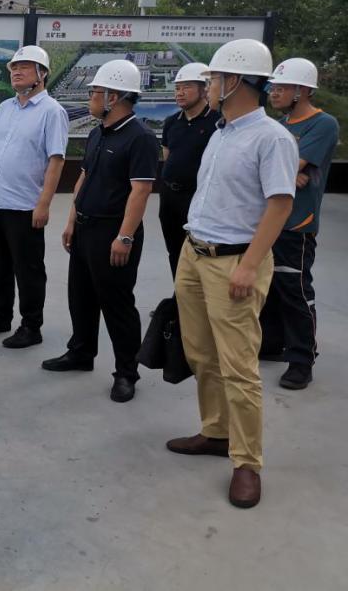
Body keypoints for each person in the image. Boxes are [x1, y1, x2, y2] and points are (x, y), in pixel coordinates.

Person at [167, 39, 296, 510]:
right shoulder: (221, 133)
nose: (208, 86)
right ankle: (216, 432)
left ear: (235, 81)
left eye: (214, 79)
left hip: (235, 263)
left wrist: (248, 265)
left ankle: (247, 462)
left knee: (239, 366)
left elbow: (280, 205)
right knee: (202, 353)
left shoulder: (271, 138)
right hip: (195, 254)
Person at [42, 60, 158, 404]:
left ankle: (126, 373)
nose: (90, 97)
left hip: (113, 231)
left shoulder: (140, 137)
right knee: (80, 295)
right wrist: (72, 220)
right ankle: (81, 352)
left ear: (114, 96)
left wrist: (125, 236)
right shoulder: (98, 133)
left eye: (94, 92)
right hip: (86, 227)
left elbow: (140, 191)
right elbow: (84, 177)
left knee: (117, 304)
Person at [0, 45, 69, 349]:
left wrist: (44, 204)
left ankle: (31, 326)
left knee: (28, 269)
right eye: (14, 67)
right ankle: (1, 316)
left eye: (24, 67)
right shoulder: (4, 108)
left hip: (26, 206)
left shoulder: (52, 112)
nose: (16, 72)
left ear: (42, 74)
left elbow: (56, 160)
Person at [259, 57, 339, 390]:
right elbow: (269, 171)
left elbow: (290, 167)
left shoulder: (322, 125)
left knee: (295, 290)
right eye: (273, 88)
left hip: (296, 222)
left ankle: (302, 359)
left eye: (281, 88)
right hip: (268, 220)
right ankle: (272, 343)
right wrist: (287, 174)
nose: (274, 93)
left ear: (302, 90)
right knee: (268, 286)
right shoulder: (280, 124)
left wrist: (287, 172)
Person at [159, 63, 221, 278]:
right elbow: (167, 156)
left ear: (204, 89)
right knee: (174, 250)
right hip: (170, 197)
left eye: (186, 87)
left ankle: (197, 294)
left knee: (199, 251)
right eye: (177, 88)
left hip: (198, 197)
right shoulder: (171, 122)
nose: (180, 93)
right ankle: (179, 294)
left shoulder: (217, 121)